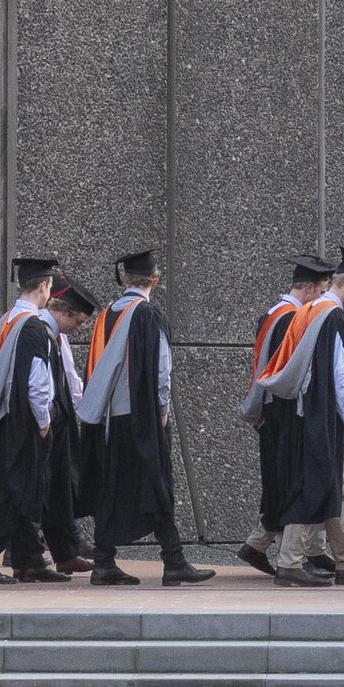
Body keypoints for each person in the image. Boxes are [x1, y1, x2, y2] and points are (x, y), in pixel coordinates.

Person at [77, 250, 211, 585]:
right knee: (157, 485)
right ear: (155, 279)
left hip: (108, 420)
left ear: (124, 278)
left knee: (111, 488)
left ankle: (104, 562)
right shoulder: (148, 315)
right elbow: (161, 369)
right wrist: (162, 410)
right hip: (141, 418)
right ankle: (174, 561)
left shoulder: (106, 315)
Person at [258, 249, 344, 586]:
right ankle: (290, 563)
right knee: (313, 486)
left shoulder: (307, 311)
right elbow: (340, 375)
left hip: (297, 411)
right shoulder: (334, 317)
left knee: (329, 486)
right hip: (322, 415)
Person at [0, 255, 73, 584]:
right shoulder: (33, 328)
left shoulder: (6, 320)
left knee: (16, 488)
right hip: (23, 422)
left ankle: (29, 560)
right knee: (19, 492)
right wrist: (44, 423)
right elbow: (37, 384)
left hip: (1, 417)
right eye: (49, 287)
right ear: (43, 286)